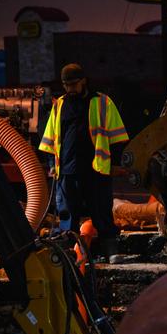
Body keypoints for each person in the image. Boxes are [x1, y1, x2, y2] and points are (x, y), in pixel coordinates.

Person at [39, 63, 129, 261]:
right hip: (67, 170)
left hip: (96, 168)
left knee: (101, 211)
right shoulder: (59, 105)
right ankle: (67, 253)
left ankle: (110, 250)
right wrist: (53, 166)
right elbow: (49, 139)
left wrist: (114, 163)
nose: (70, 89)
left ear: (83, 81)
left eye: (73, 84)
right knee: (67, 215)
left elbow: (117, 138)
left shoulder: (102, 102)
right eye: (66, 85)